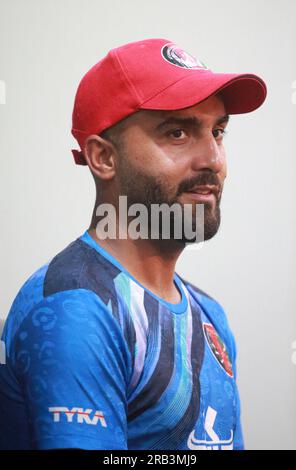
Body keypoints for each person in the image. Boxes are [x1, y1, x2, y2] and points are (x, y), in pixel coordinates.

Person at [0, 38, 267, 450]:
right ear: (103, 157)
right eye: (178, 132)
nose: (213, 158)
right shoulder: (79, 308)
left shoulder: (211, 317)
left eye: (218, 131)